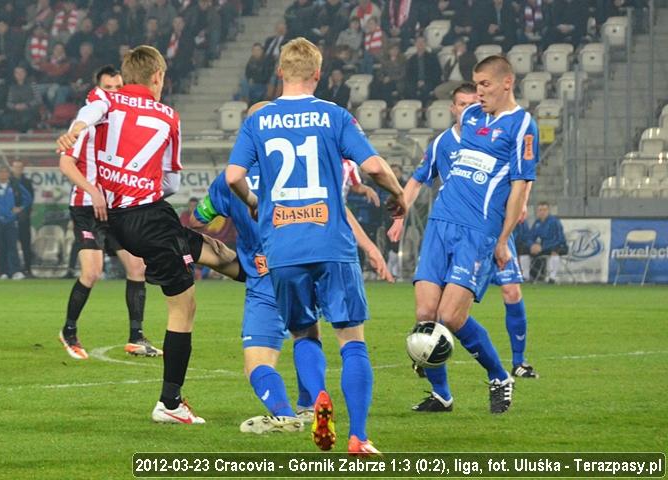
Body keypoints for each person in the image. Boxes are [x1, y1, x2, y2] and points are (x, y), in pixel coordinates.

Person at [225, 37, 406, 455]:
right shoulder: (334, 115)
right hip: (331, 243)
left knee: (305, 333)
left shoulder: (259, 120)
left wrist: (256, 203)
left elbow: (234, 175)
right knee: (352, 339)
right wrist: (398, 194)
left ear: (280, 73)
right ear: (318, 75)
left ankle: (317, 397)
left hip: (283, 249)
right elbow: (374, 166)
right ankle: (358, 436)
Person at [57, 45, 243, 425]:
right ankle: (170, 403)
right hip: (148, 214)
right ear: (158, 76)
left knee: (213, 251)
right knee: (184, 305)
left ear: (126, 77)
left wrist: (76, 129)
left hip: (118, 218)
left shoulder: (106, 99)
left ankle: (261, 278)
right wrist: (142, 189)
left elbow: (90, 113)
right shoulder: (169, 116)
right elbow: (171, 180)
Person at [193, 102, 394, 435]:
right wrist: (370, 247)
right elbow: (338, 207)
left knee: (259, 362)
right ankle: (316, 406)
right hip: (318, 256)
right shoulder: (306, 164)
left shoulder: (229, 181)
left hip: (266, 276)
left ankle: (285, 413)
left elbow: (202, 217)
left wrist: (218, 227)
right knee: (319, 334)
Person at [391, 56, 539, 415]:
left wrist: (503, 239)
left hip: (479, 231)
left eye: (485, 85)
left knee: (451, 317)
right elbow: (442, 164)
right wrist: (402, 204)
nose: (478, 93)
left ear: (507, 82)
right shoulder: (470, 119)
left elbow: (520, 187)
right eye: (475, 85)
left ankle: (500, 376)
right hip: (441, 223)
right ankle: (442, 395)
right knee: (426, 314)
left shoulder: (522, 125)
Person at [55, 66, 159, 360]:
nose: (114, 92)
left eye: (118, 87)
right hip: (86, 206)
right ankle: (69, 331)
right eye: (109, 88)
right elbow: (65, 165)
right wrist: (93, 190)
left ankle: (136, 337)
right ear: (98, 89)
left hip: (112, 208)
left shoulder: (120, 126)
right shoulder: (87, 121)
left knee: (137, 267)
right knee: (92, 271)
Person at [521, 201, 567, 283]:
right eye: (540, 210)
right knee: (524, 250)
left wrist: (542, 247)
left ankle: (552, 277)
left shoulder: (555, 222)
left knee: (555, 250)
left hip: (559, 246)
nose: (542, 212)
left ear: (548, 211)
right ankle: (526, 276)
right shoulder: (537, 223)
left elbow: (560, 239)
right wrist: (532, 245)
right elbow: (530, 237)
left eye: (544, 210)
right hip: (542, 247)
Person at [10, 161, 35, 277]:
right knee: (11, 244)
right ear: (12, 168)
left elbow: (30, 199)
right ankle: (12, 269)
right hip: (9, 218)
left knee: (26, 244)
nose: (18, 169)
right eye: (16, 167)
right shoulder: (8, 182)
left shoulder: (27, 183)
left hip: (24, 218)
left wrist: (21, 209)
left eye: (20, 167)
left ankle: (28, 269)